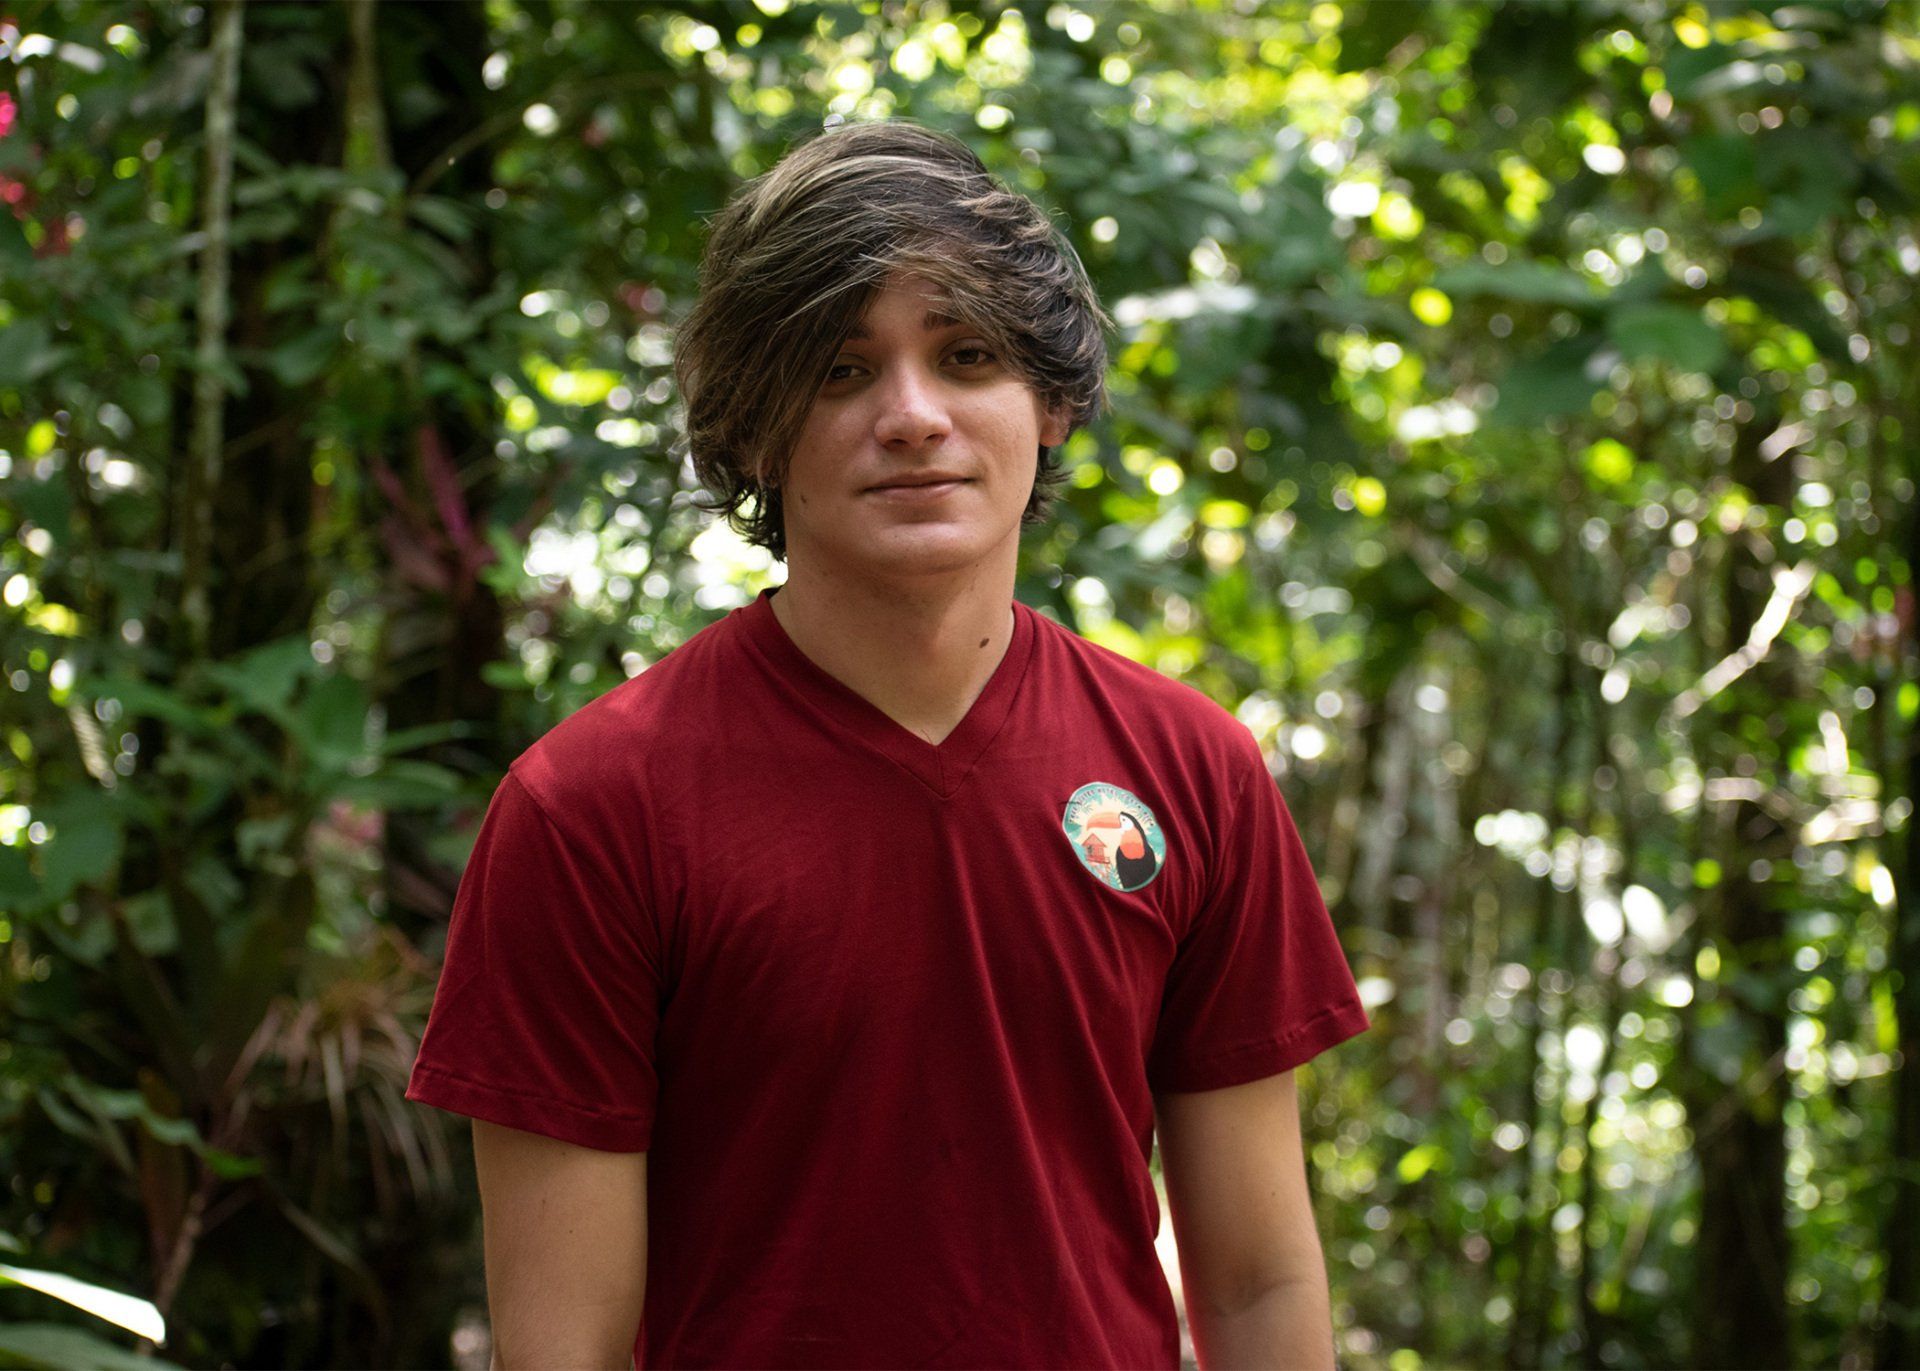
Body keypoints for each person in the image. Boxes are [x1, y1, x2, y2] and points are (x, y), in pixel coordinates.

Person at [405, 117, 1369, 1371]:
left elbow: (1254, 1286)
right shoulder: (591, 807)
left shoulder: (1191, 771)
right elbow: (562, 1350)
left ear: (1052, 403)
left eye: (967, 356)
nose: (913, 416)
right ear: (752, 431)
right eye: (841, 371)